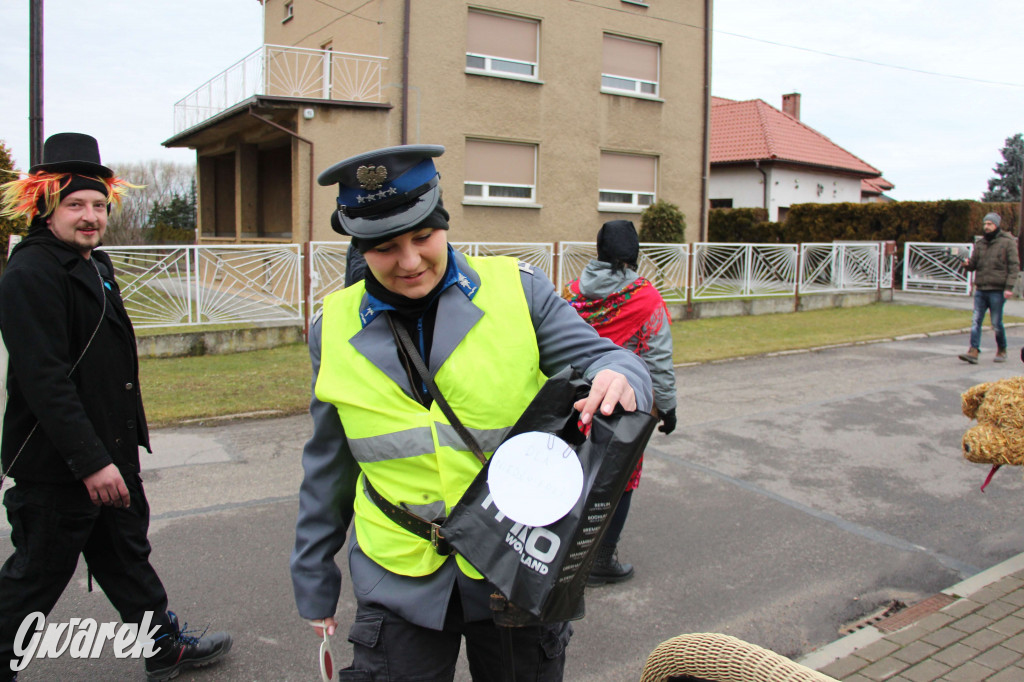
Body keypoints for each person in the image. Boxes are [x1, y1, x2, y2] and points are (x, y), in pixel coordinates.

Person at [291, 144, 652, 681]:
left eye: (422, 237)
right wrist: (315, 579)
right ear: (359, 248)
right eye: (386, 247)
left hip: (515, 566)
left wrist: (622, 374)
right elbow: (330, 466)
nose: (410, 261)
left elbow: (609, 357)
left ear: (443, 222)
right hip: (397, 574)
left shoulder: (519, 291)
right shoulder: (331, 328)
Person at [0, 133, 232, 682]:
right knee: (36, 576)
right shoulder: (31, 275)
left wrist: (119, 451)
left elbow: (107, 369)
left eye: (99, 205)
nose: (90, 217)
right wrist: (91, 462)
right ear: (46, 208)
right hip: (62, 466)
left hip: (108, 453)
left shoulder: (94, 265)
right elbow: (44, 380)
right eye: (75, 205)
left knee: (126, 558)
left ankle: (162, 648)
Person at [562, 220, 677, 586]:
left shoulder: (570, 292)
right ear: (635, 256)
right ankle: (601, 557)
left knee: (571, 472)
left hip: (574, 401)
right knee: (620, 478)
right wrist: (668, 406)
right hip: (623, 404)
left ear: (598, 253)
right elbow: (657, 359)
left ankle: (558, 550)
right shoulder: (645, 298)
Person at [959, 212, 1019, 364]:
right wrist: (967, 265)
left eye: (989, 224)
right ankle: (973, 351)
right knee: (976, 320)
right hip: (981, 288)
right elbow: (974, 265)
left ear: (997, 225)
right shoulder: (980, 244)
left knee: (996, 323)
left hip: (998, 290)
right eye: (985, 223)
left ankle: (1002, 349)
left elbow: (1014, 266)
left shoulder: (1007, 242)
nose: (986, 226)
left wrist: (1009, 287)